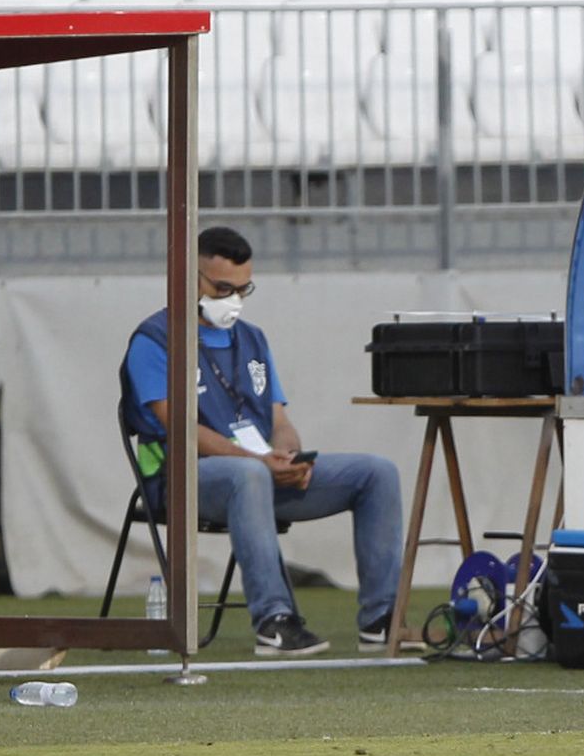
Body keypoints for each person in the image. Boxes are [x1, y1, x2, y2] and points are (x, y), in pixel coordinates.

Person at [122, 226, 404, 657]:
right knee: (248, 473)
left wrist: (289, 454)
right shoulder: (154, 340)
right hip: (178, 481)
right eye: (221, 288)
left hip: (256, 473)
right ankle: (275, 621)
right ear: (186, 278)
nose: (232, 299)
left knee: (378, 474)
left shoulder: (252, 339)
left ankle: (383, 620)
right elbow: (178, 428)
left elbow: (278, 418)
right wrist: (258, 461)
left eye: (243, 289)